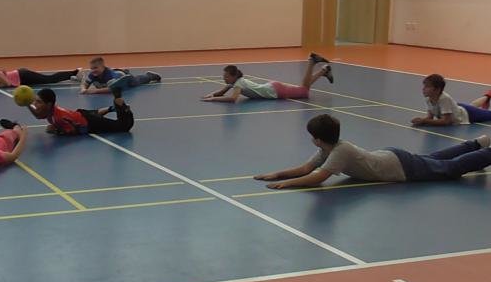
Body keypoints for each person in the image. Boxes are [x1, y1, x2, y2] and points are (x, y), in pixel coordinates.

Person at [254, 113, 491, 189]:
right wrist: (277, 174)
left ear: (317, 139)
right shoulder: (329, 148)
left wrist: (287, 184)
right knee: (433, 158)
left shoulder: (340, 151)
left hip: (399, 167)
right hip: (391, 157)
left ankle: (485, 151)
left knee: (449, 169)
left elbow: (318, 178)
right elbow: (306, 168)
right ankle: (478, 143)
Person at [202, 53, 333, 103]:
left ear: (234, 76)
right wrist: (210, 95)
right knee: (303, 88)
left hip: (276, 91)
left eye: (226, 76)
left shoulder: (238, 84)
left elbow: (232, 99)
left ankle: (311, 62)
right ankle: (324, 71)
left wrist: (213, 99)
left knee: (304, 90)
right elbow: (222, 92)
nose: (224, 78)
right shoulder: (234, 82)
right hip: (272, 87)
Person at [28, 86, 134, 135]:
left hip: (90, 122)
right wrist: (27, 104)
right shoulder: (50, 110)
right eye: (35, 101)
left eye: (39, 102)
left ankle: (120, 103)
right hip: (80, 114)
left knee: (123, 127)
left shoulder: (58, 117)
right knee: (96, 113)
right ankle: (113, 108)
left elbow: (75, 130)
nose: (35, 104)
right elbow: (38, 115)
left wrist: (57, 130)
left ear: (48, 104)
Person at [411, 74, 491, 126]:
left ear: (437, 90)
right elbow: (430, 117)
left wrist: (424, 121)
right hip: (457, 108)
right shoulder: (428, 98)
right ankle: (488, 95)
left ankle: (488, 95)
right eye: (424, 86)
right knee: (473, 105)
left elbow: (446, 121)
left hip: (468, 114)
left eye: (427, 87)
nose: (423, 89)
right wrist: (421, 120)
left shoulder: (444, 98)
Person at [79, 56, 160, 94]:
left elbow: (111, 89)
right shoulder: (92, 75)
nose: (93, 70)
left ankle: (150, 75)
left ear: (103, 67)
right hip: (116, 74)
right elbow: (85, 84)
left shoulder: (108, 75)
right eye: (92, 68)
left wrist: (94, 91)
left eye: (96, 68)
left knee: (136, 82)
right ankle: (125, 71)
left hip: (124, 78)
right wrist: (83, 89)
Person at [0, 60, 78, 88]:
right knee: (48, 80)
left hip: (22, 75)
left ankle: (75, 72)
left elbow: (7, 84)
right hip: (21, 81)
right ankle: (72, 75)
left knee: (49, 79)